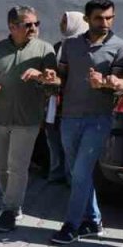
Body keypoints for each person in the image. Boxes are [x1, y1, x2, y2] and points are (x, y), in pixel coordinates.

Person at [31, 0, 123, 244]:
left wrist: (109, 83)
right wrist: (51, 78)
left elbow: (121, 84)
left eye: (109, 18)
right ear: (87, 19)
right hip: (69, 118)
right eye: (99, 18)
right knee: (75, 172)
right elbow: (62, 80)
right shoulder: (71, 45)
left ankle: (71, 225)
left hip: (99, 119)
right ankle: (94, 220)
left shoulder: (122, 47)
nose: (105, 22)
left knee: (81, 172)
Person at [0, 6, 56, 233]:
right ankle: (11, 205)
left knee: (18, 167)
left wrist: (44, 77)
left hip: (28, 120)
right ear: (12, 27)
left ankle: (9, 210)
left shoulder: (45, 50)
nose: (34, 28)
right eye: (28, 24)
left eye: (37, 23)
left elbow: (54, 86)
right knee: (2, 167)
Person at [44, 11, 87, 184]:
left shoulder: (83, 47)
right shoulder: (58, 46)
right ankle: (55, 173)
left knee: (70, 144)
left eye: (65, 22)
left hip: (73, 102)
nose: (61, 25)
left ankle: (72, 178)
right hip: (55, 101)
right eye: (62, 21)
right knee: (53, 139)